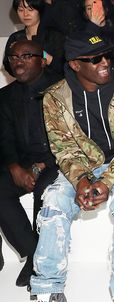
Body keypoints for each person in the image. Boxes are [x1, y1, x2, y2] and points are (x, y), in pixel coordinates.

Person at [24, 31, 114, 302]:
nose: (105, 62)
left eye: (106, 55)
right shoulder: (56, 98)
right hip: (81, 167)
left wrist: (106, 181)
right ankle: (49, 293)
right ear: (76, 65)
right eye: (94, 59)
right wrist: (81, 179)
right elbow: (64, 148)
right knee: (53, 199)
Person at [0, 40, 61, 288]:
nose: (18, 61)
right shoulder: (5, 96)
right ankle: (33, 252)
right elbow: (4, 137)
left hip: (57, 160)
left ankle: (42, 258)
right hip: (22, 161)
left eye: (26, 55)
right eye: (14, 57)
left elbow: (71, 137)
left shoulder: (60, 89)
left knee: (44, 190)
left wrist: (40, 167)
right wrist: (14, 167)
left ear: (41, 60)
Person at [3, 0, 65, 77]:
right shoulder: (15, 37)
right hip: (26, 85)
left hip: (53, 83)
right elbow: (8, 67)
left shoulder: (55, 35)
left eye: (30, 9)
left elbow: (64, 68)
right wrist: (14, 57)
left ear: (39, 10)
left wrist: (42, 54)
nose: (25, 14)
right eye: (21, 10)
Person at [82, 0, 114, 72]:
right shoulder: (79, 38)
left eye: (97, 6)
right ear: (85, 14)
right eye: (89, 8)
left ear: (105, 9)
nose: (94, 11)